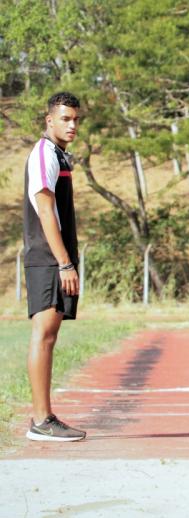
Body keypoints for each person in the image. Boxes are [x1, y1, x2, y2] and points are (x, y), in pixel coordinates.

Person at [22, 92, 85, 442]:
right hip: (47, 259)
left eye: (75, 119)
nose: (72, 124)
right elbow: (45, 210)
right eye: (65, 118)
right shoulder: (44, 153)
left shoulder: (59, 154)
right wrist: (64, 264)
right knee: (43, 334)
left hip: (55, 259)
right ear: (49, 120)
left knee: (50, 335)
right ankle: (41, 420)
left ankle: (44, 417)